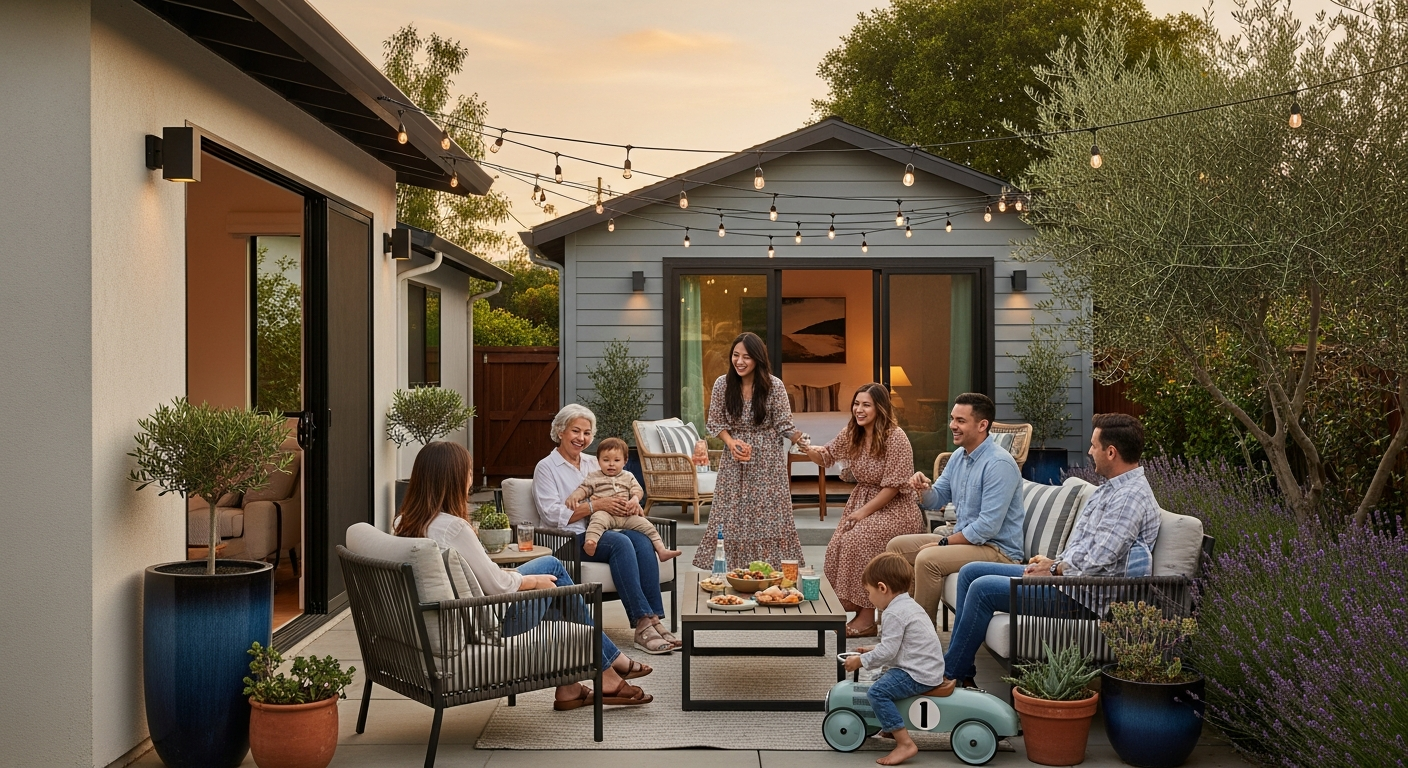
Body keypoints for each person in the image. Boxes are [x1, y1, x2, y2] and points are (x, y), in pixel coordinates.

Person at [394, 441, 653, 709]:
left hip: (453, 615)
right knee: (552, 572)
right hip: (489, 623)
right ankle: (608, 666)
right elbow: (497, 586)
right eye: (469, 473)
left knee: (553, 581)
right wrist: (530, 580)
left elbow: (480, 577)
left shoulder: (404, 523)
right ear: (453, 478)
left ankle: (572, 686)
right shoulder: (454, 528)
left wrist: (522, 578)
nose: (471, 481)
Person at [941, 413, 1162, 688]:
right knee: (970, 572)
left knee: (983, 589)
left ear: (1111, 452)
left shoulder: (1130, 497)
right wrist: (1053, 564)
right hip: (1069, 582)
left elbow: (1098, 559)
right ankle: (962, 671)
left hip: (1083, 600)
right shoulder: (1112, 489)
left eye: (1094, 445)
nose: (1090, 451)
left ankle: (950, 676)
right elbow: (1087, 550)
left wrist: (1055, 570)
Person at [534, 404, 678, 655]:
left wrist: (632, 503)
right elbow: (552, 514)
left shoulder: (596, 462)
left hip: (611, 528)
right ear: (560, 431)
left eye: (587, 433)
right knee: (620, 543)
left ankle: (655, 619)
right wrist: (594, 505)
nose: (582, 438)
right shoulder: (546, 468)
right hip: (569, 540)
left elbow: (625, 487)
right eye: (575, 431)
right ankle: (642, 623)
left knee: (641, 539)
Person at [884, 392, 1026, 626]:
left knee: (928, 558)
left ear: (982, 425)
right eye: (952, 419)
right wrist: (923, 487)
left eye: (960, 421)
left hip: (998, 551)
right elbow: (935, 500)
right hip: (970, 543)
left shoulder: (999, 464)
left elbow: (986, 527)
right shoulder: (959, 457)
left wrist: (943, 543)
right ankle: (901, 625)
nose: (952, 426)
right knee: (896, 546)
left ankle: (920, 638)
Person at [805, 383, 925, 638]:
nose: (858, 410)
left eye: (866, 405)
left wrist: (861, 514)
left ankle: (867, 618)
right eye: (856, 404)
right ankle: (854, 609)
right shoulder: (853, 432)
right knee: (839, 542)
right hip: (865, 501)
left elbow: (893, 487)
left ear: (879, 408)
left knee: (858, 539)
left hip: (897, 509)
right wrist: (809, 450)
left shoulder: (896, 437)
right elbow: (827, 456)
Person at [691, 331, 806, 572]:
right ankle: (733, 572)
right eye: (735, 355)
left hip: (768, 463)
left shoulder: (774, 386)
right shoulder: (723, 384)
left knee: (768, 519)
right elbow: (715, 423)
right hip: (735, 461)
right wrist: (732, 443)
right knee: (731, 517)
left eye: (746, 357)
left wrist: (802, 440)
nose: (740, 361)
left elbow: (784, 424)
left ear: (758, 359)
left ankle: (770, 573)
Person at [843, 553, 947, 766]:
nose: (869, 599)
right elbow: (899, 643)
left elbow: (888, 653)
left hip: (918, 673)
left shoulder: (893, 614)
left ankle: (905, 743)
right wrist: (871, 649)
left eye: (869, 592)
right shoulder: (908, 605)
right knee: (883, 677)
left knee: (877, 691)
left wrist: (860, 661)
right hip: (925, 666)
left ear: (882, 588)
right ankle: (891, 725)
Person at [564, 437, 680, 561]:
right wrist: (574, 496)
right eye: (606, 460)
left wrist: (635, 500)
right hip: (604, 513)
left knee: (647, 525)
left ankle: (661, 550)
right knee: (597, 521)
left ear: (625, 461)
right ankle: (591, 542)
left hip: (626, 514)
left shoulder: (628, 476)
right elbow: (584, 489)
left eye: (617, 460)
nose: (611, 464)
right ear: (598, 461)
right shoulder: (594, 477)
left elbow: (637, 490)